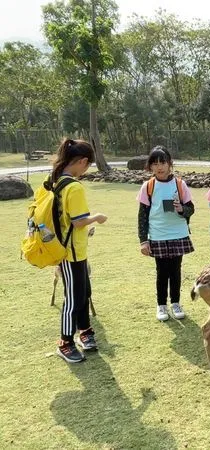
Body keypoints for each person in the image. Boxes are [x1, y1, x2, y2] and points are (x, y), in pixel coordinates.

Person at [53, 138, 108, 363]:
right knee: (73, 299)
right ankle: (65, 342)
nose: (85, 171)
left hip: (76, 251)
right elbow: (78, 221)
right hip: (70, 253)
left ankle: (85, 331)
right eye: (87, 166)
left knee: (83, 292)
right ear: (83, 161)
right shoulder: (73, 186)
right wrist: (97, 217)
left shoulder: (56, 180)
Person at [137, 146, 195, 322]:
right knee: (162, 272)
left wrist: (181, 209)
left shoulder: (179, 184)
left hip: (178, 234)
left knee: (176, 271)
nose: (159, 166)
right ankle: (161, 305)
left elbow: (190, 209)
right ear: (150, 167)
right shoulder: (148, 186)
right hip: (158, 235)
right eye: (155, 163)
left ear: (170, 163)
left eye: (163, 162)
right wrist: (143, 241)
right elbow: (143, 215)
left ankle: (176, 303)